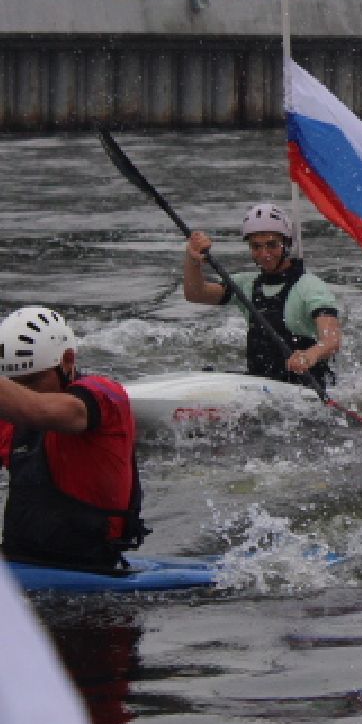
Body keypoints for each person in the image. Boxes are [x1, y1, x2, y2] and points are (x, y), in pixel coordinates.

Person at [0, 306, 147, 570]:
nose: (21, 392)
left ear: (67, 361)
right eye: (14, 384)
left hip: (91, 573)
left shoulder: (105, 396)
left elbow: (36, 409)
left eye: (32, 381)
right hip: (21, 563)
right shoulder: (10, 419)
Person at [182, 203, 342, 384]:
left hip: (306, 387)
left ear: (287, 244)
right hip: (260, 385)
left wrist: (309, 355)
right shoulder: (245, 283)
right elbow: (195, 294)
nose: (264, 254)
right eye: (256, 247)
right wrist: (192, 260)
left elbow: (332, 340)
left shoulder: (310, 287)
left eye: (272, 245)